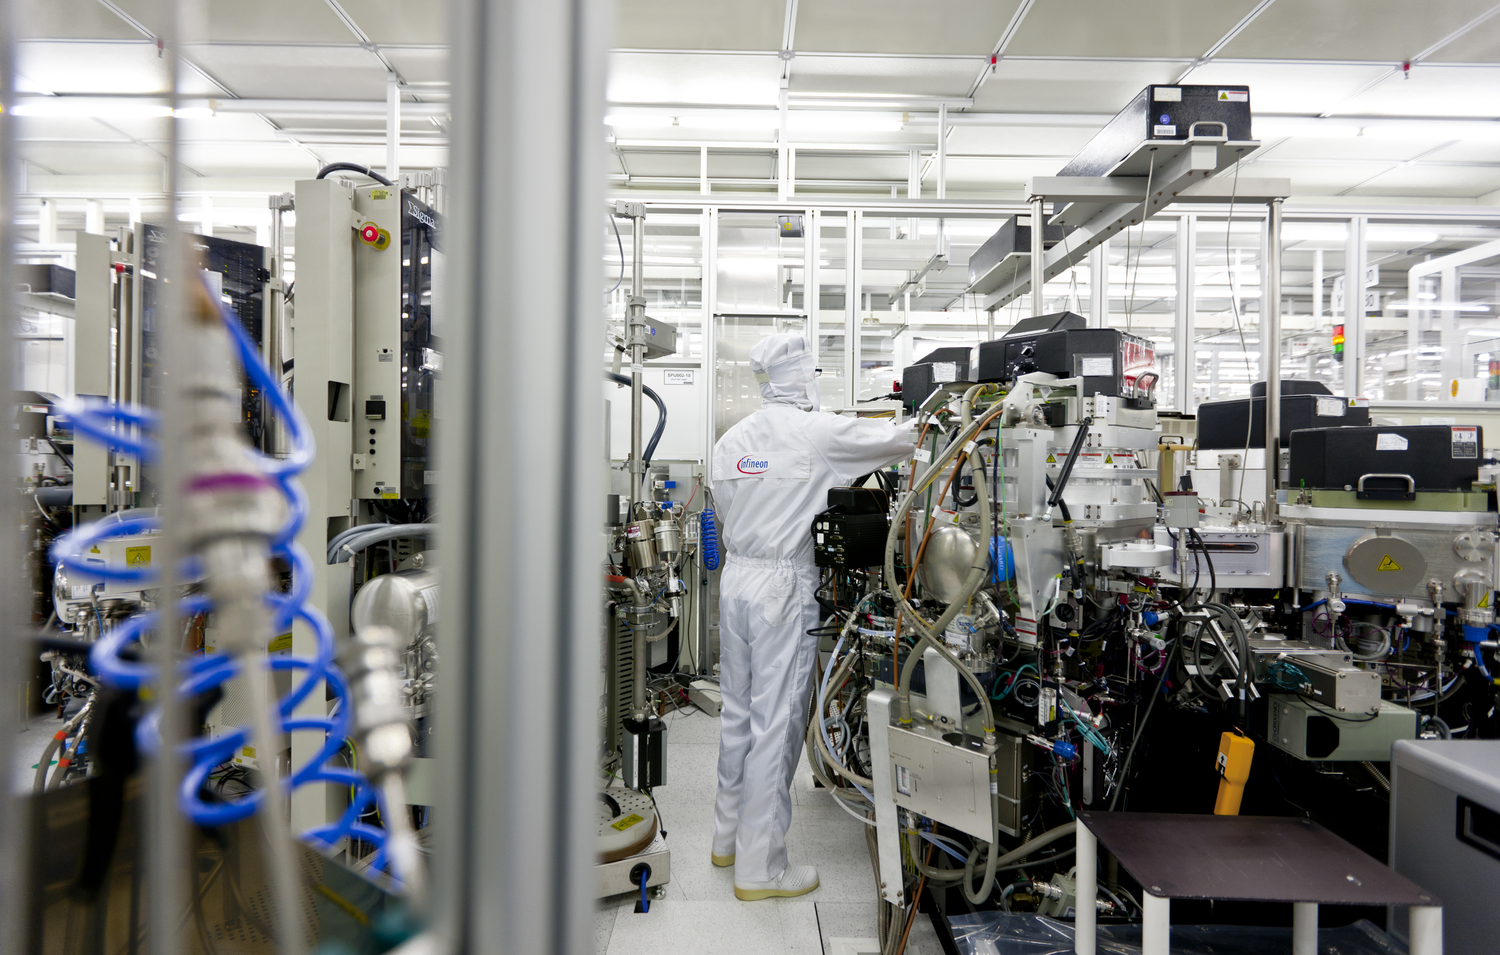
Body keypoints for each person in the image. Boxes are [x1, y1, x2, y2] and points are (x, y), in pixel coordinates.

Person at [710, 333, 916, 901]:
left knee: (737, 714)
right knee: (775, 722)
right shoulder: (817, 431)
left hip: (737, 582)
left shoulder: (730, 442)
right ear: (803, 373)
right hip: (782, 586)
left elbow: (728, 510)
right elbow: (904, 440)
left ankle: (726, 840)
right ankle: (762, 868)